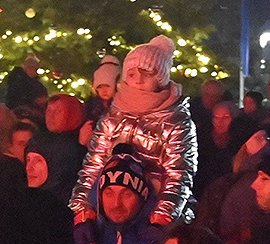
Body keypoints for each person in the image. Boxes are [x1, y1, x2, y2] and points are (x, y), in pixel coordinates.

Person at [70, 36, 199, 226]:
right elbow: (93, 165)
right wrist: (82, 209)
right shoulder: (112, 117)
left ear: (161, 78)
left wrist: (163, 216)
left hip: (153, 213)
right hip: (111, 210)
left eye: (147, 73)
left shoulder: (175, 121)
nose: (138, 79)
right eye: (131, 74)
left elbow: (178, 173)